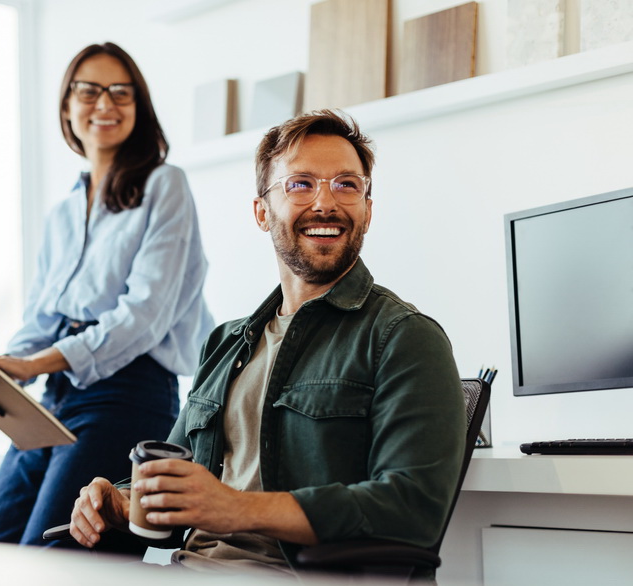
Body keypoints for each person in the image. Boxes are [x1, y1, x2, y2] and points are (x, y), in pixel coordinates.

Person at [68, 110, 466, 575]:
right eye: (300, 184)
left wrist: (235, 508)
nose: (326, 203)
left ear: (368, 210)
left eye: (346, 185)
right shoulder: (225, 342)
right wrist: (121, 500)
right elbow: (178, 485)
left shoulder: (404, 338)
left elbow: (411, 511)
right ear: (262, 212)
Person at [0, 42, 214, 546]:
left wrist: (31, 365)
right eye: (89, 90)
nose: (105, 104)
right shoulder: (63, 211)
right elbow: (43, 317)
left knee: (49, 557)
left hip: (128, 396)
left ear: (140, 105)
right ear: (67, 105)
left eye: (120, 92)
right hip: (57, 396)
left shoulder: (165, 185)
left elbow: (143, 318)